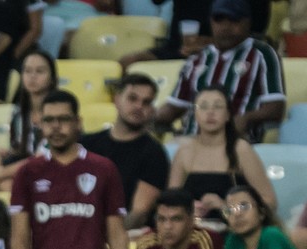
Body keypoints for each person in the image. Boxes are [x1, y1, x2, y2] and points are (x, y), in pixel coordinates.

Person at [9, 89, 131, 249]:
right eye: (49, 120)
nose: (56, 126)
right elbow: (19, 236)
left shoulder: (104, 169)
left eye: (63, 119)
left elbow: (117, 234)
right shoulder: (27, 172)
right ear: (41, 123)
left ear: (78, 122)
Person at [154, 0, 285, 144]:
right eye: (219, 19)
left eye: (234, 20)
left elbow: (275, 108)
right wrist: (146, 116)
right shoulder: (196, 59)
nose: (225, 27)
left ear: (247, 22)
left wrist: (247, 118)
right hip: (191, 140)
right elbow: (173, 107)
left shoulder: (262, 54)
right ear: (211, 21)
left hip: (236, 141)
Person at [167, 86, 276, 225]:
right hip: (193, 232)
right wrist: (187, 208)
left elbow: (269, 201)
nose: (210, 112)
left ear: (228, 115)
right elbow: (169, 203)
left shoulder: (241, 150)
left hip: (234, 230)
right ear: (195, 114)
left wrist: (226, 207)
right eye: (203, 107)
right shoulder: (184, 152)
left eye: (217, 107)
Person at [80, 73, 169, 230]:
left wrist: (103, 239)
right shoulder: (85, 144)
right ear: (117, 100)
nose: (139, 106)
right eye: (132, 98)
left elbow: (138, 214)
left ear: (152, 110)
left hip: (126, 238)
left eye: (146, 102)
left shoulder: (154, 153)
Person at [0, 48, 57, 193]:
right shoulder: (18, 114)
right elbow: (24, 151)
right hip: (26, 172)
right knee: (4, 184)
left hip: (55, 173)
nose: (32, 76)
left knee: (3, 182)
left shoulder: (59, 114)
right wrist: (10, 154)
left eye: (40, 71)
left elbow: (45, 159)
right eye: (27, 71)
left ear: (52, 78)